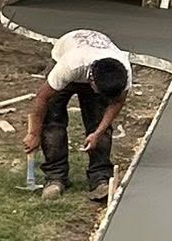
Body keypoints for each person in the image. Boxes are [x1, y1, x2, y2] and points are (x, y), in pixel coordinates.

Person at [23, 29, 132, 204]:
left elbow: (117, 103)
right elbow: (41, 98)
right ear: (92, 82)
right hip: (67, 54)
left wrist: (97, 133)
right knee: (53, 121)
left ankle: (100, 178)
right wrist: (34, 134)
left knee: (99, 121)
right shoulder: (69, 66)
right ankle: (56, 177)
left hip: (97, 64)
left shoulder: (122, 72)